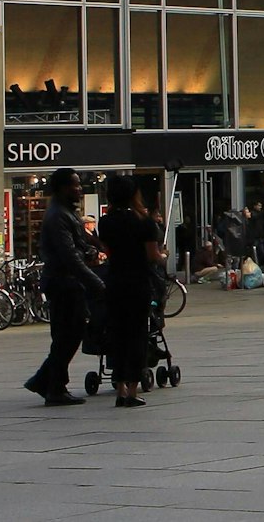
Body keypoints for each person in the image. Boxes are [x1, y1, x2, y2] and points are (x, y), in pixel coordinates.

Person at [24, 167, 104, 406]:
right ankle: (52, 386)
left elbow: (78, 247)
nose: (79, 189)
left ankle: (47, 381)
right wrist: (95, 281)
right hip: (63, 282)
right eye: (74, 185)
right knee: (67, 335)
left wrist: (92, 251)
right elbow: (69, 255)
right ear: (61, 188)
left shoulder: (66, 213)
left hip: (68, 281)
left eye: (79, 184)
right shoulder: (59, 215)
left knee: (70, 334)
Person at [99, 175, 163, 408]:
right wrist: (162, 257)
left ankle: (119, 389)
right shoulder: (144, 223)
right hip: (138, 283)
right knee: (137, 335)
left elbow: (108, 251)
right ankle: (133, 391)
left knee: (117, 334)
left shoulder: (105, 222)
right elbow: (152, 256)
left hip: (114, 282)